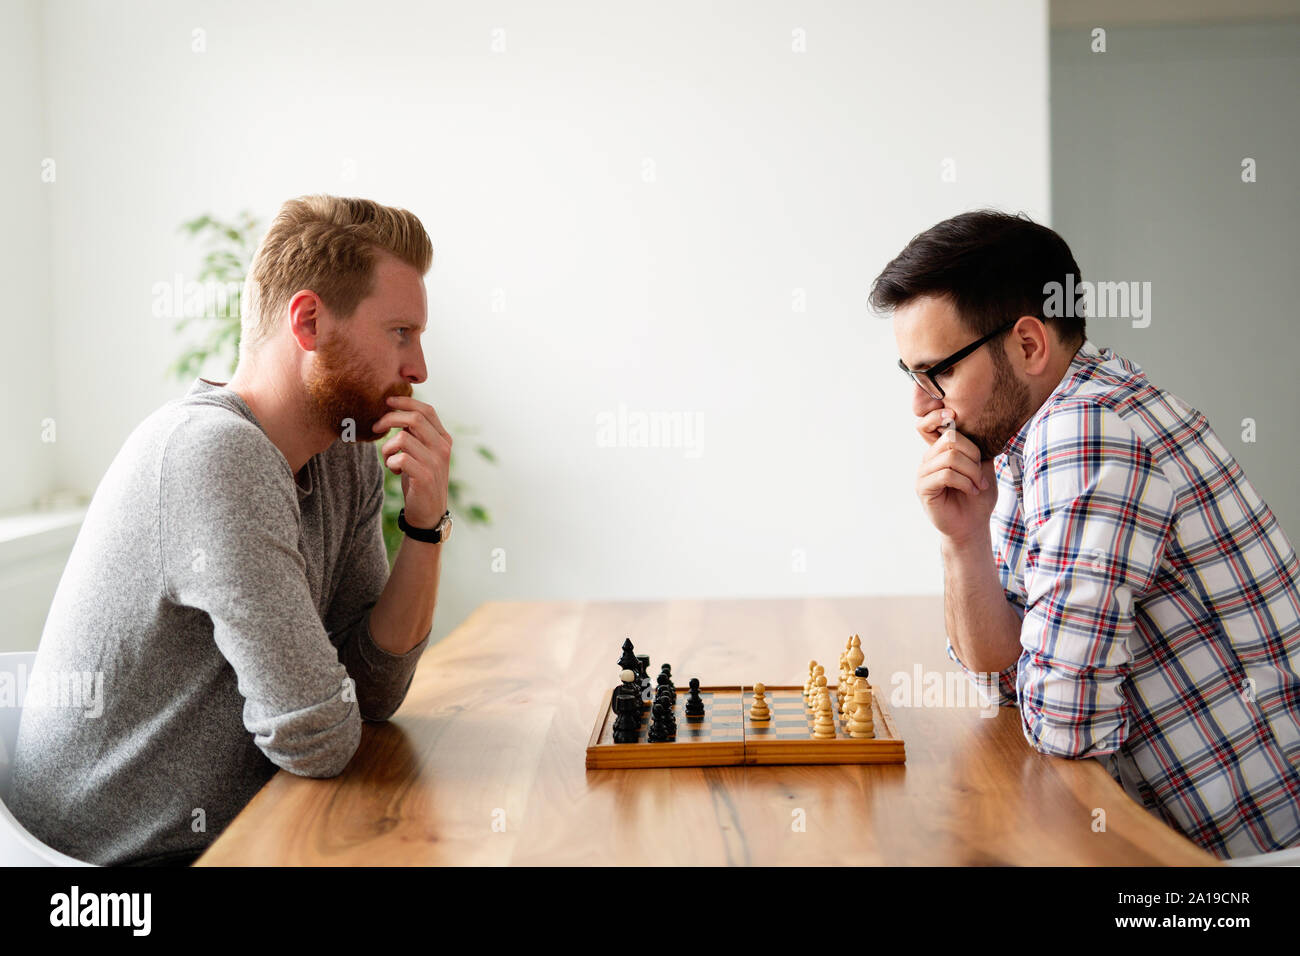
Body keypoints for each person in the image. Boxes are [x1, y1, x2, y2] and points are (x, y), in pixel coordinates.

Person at [10, 195, 453, 865]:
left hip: (236, 840)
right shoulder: (215, 454)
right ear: (308, 321)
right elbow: (320, 738)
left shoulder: (345, 459)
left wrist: (424, 525)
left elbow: (371, 694)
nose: (419, 367)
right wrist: (329, 704)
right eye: (400, 333)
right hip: (110, 877)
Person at [872, 209, 1300, 860]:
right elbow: (1009, 676)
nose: (921, 406)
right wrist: (963, 540)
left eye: (939, 373)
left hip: (1255, 858)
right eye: (912, 376)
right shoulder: (1036, 432)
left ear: (1028, 345)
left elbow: (1065, 726)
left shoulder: (1088, 435)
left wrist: (1030, 678)